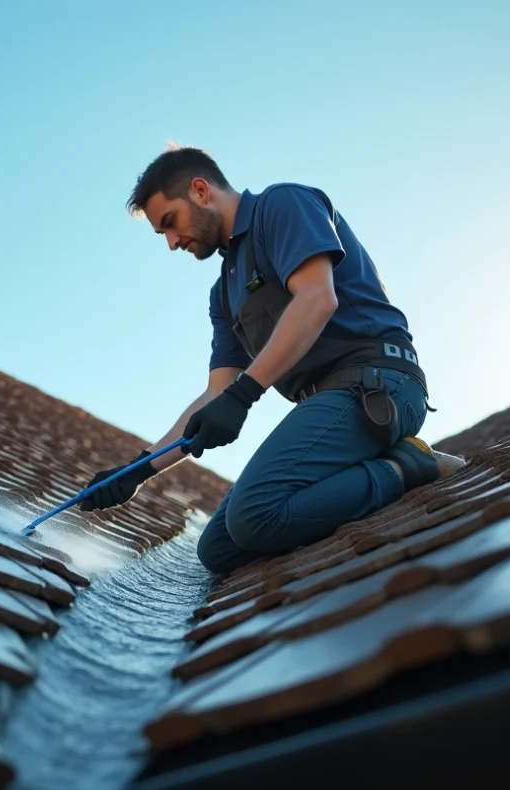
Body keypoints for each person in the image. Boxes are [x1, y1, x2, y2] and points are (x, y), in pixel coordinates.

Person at [79, 146, 465, 576]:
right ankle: (364, 465)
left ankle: (407, 465)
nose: (171, 243)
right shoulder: (223, 294)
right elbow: (217, 393)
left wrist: (246, 393)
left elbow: (318, 298)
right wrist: (137, 470)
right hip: (328, 409)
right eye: (161, 235)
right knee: (218, 549)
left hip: (381, 384)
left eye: (170, 222)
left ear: (201, 191)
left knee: (253, 514)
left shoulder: (281, 205)